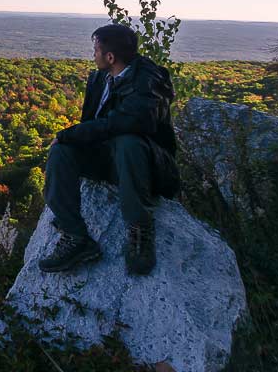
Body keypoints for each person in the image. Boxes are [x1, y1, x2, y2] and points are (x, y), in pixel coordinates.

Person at [39, 24, 178, 276]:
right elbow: (92, 124)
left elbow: (124, 123)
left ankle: (139, 230)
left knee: (128, 141)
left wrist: (67, 133)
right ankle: (75, 236)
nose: (93, 55)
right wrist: (68, 140)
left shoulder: (149, 81)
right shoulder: (99, 78)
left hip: (147, 166)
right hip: (110, 160)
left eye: (96, 50)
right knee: (61, 151)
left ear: (110, 57)